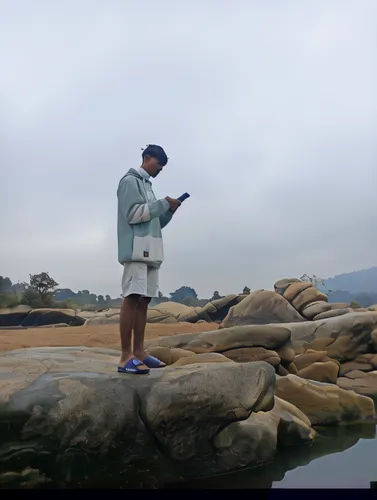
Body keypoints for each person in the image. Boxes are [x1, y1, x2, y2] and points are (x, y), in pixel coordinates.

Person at [116, 144, 181, 374]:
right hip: (135, 250)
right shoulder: (129, 181)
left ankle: (140, 351)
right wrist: (162, 203)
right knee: (132, 297)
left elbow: (155, 222)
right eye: (158, 164)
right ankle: (125, 357)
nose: (160, 169)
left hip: (152, 250)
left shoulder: (149, 188)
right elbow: (133, 215)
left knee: (144, 301)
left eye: (163, 167)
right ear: (146, 158)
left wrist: (169, 211)